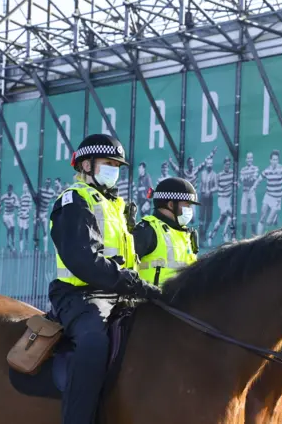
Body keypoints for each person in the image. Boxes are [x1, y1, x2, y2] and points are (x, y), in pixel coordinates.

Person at [48, 133, 163, 424]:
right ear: (86, 165)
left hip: (120, 295)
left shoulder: (117, 206)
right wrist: (133, 283)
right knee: (93, 343)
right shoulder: (74, 199)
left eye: (117, 164)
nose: (114, 169)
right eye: (108, 163)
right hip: (80, 296)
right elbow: (82, 259)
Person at [132, 177, 200, 287]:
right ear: (171, 205)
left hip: (180, 302)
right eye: (187, 204)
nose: (190, 209)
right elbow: (126, 270)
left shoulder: (187, 235)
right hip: (148, 301)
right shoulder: (148, 230)